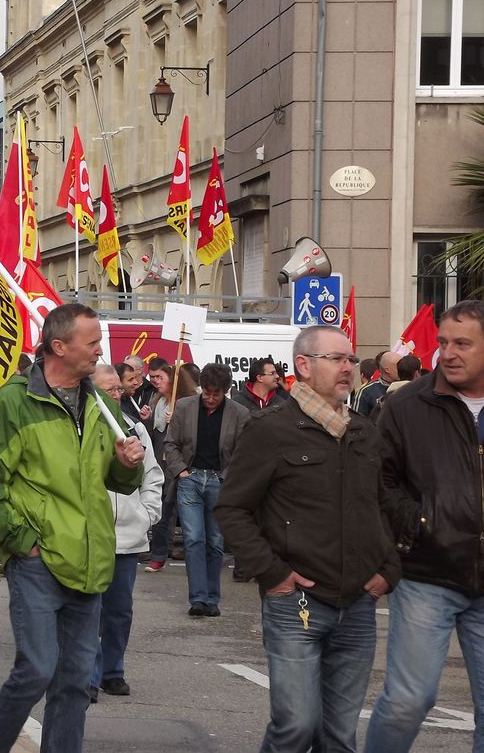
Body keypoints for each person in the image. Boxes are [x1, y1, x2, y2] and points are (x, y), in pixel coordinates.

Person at [0, 303, 145, 753]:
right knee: (36, 670)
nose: (100, 351)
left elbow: (114, 478)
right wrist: (22, 542)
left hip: (89, 560)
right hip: (38, 560)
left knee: (73, 683)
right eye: (92, 343)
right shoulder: (15, 402)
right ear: (58, 346)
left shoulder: (102, 403)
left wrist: (127, 466)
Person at [215, 326, 399, 752]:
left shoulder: (364, 431)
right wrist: (272, 572)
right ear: (303, 365)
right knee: (296, 725)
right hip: (294, 602)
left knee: (338, 736)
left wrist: (388, 569)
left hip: (357, 604)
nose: (348, 368)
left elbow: (385, 506)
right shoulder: (270, 429)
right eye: (336, 359)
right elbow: (232, 508)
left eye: (351, 360)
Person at [365, 300, 484, 752]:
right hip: (426, 573)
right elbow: (379, 479)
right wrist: (416, 524)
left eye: (463, 344)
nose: (448, 352)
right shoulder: (407, 405)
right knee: (407, 702)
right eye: (445, 342)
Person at [89, 365, 163, 701]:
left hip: (128, 536)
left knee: (119, 611)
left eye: (119, 389)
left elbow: (153, 474)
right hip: (91, 536)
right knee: (89, 610)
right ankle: (88, 675)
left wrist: (148, 514)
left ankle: (112, 671)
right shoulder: (84, 427)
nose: (117, 395)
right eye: (109, 389)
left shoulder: (136, 427)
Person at [164, 363, 248, 616]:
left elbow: (245, 453)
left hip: (220, 481)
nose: (210, 399)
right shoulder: (184, 407)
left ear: (226, 391)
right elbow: (171, 443)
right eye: (207, 393)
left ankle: (212, 598)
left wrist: (228, 479)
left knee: (215, 541)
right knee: (193, 539)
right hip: (191, 478)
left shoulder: (239, 413)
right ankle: (198, 598)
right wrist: (181, 472)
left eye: (216, 394)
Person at [144, 364, 195, 573]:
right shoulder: (157, 401)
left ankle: (193, 555)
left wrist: (178, 421)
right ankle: (158, 554)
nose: (155, 381)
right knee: (162, 508)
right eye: (154, 377)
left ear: (174, 381)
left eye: (160, 377)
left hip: (179, 463)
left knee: (180, 510)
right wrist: (147, 419)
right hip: (160, 461)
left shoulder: (186, 403)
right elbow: (154, 433)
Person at [352, 350, 399, 416]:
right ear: (387, 369)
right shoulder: (365, 392)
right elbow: (356, 422)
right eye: (398, 364)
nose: (403, 367)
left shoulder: (410, 388)